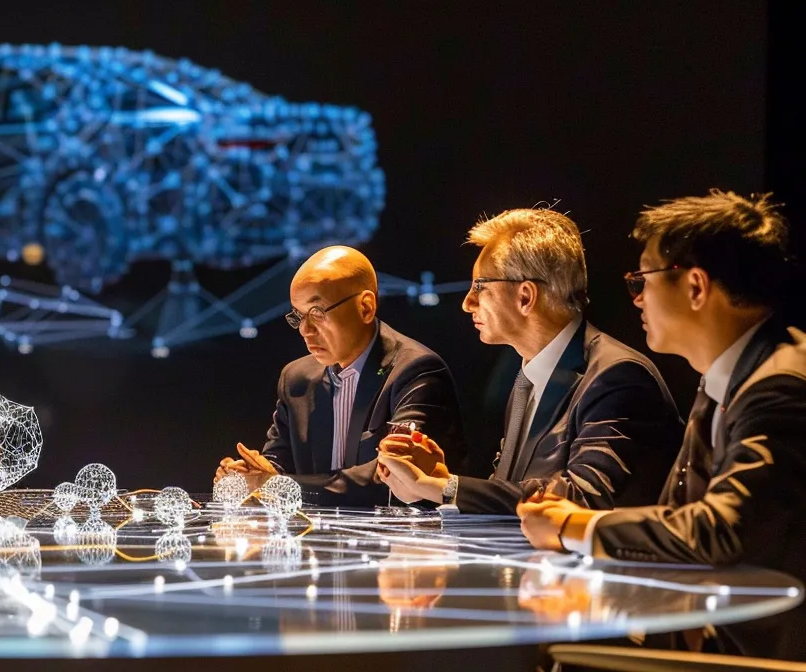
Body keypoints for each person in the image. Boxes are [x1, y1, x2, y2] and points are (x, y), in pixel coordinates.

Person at [518, 191, 804, 661]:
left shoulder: (779, 387)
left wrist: (573, 524)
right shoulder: (730, 377)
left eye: (642, 280)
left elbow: (721, 530)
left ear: (695, 287)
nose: (635, 299)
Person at [378, 209, 682, 514]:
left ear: (525, 296)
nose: (467, 302)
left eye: (480, 287)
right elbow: (516, 500)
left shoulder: (619, 377)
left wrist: (446, 488)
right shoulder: (528, 378)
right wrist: (441, 481)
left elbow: (583, 499)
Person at [216, 246, 466, 505]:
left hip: (404, 537)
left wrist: (277, 486)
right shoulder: (296, 377)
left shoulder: (416, 370)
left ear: (366, 307)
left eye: (317, 312)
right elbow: (278, 462)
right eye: (298, 316)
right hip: (317, 536)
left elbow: (397, 477)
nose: (305, 330)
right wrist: (249, 473)